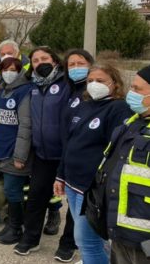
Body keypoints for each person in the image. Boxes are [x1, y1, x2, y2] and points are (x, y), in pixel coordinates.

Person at [53, 64, 132, 264]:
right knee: (93, 240)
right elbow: (70, 142)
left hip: (91, 187)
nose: (94, 85)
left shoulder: (118, 108)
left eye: (101, 80)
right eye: (90, 81)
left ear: (114, 84)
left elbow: (115, 152)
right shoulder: (85, 104)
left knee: (85, 240)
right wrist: (60, 175)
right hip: (72, 182)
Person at [86, 65, 150, 263]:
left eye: (138, 89)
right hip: (122, 232)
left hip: (145, 241)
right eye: (132, 88)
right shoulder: (132, 123)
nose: (131, 93)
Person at [15, 47, 72, 256]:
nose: (40, 63)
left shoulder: (67, 84)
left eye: (44, 58)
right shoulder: (34, 86)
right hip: (42, 154)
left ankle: (68, 245)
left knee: (73, 203)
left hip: (66, 154)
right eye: (35, 60)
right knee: (36, 197)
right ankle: (30, 239)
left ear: (55, 60)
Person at [51, 49, 95, 263]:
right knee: (77, 212)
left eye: (81, 63)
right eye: (71, 65)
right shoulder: (70, 91)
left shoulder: (94, 93)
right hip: (68, 158)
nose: (76, 68)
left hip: (88, 165)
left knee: (83, 216)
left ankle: (72, 246)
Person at [0, 58, 33, 245]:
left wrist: (20, 155)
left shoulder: (25, 92)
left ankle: (16, 228)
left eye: (13, 69)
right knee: (10, 190)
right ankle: (12, 225)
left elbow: (25, 126)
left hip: (16, 152)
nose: (9, 73)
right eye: (5, 69)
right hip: (1, 149)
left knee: (13, 191)